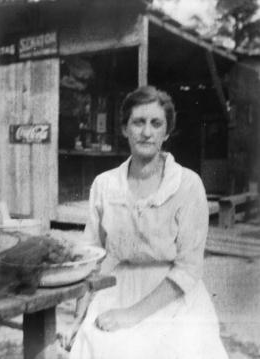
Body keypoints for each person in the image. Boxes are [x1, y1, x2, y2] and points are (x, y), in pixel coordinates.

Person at [70, 86, 228, 359]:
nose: (146, 132)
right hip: (116, 289)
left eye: (156, 123)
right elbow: (91, 258)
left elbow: (188, 269)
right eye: (138, 122)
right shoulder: (105, 185)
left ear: (167, 132)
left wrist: (131, 315)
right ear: (124, 129)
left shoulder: (187, 185)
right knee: (101, 345)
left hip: (173, 296)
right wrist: (77, 319)